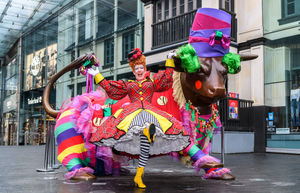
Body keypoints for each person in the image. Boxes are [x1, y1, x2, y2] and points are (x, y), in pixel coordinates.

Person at [88, 48, 190, 188]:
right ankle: (147, 134)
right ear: (134, 71)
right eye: (137, 68)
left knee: (145, 148)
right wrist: (97, 75)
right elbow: (111, 88)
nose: (140, 70)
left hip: (149, 112)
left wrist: (169, 60)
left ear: (144, 68)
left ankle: (138, 176)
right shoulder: (129, 85)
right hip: (133, 114)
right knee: (137, 135)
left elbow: (167, 77)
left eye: (141, 67)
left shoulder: (152, 82)